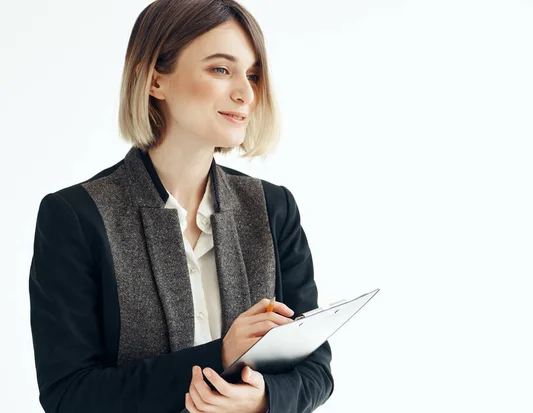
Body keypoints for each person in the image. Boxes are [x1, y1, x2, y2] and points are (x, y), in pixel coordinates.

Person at [28, 1, 334, 412]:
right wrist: (220, 356)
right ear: (155, 80)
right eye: (221, 69)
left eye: (253, 74)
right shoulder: (75, 217)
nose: (245, 92)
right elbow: (69, 396)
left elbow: (316, 370)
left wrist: (264, 400)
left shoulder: (274, 208)